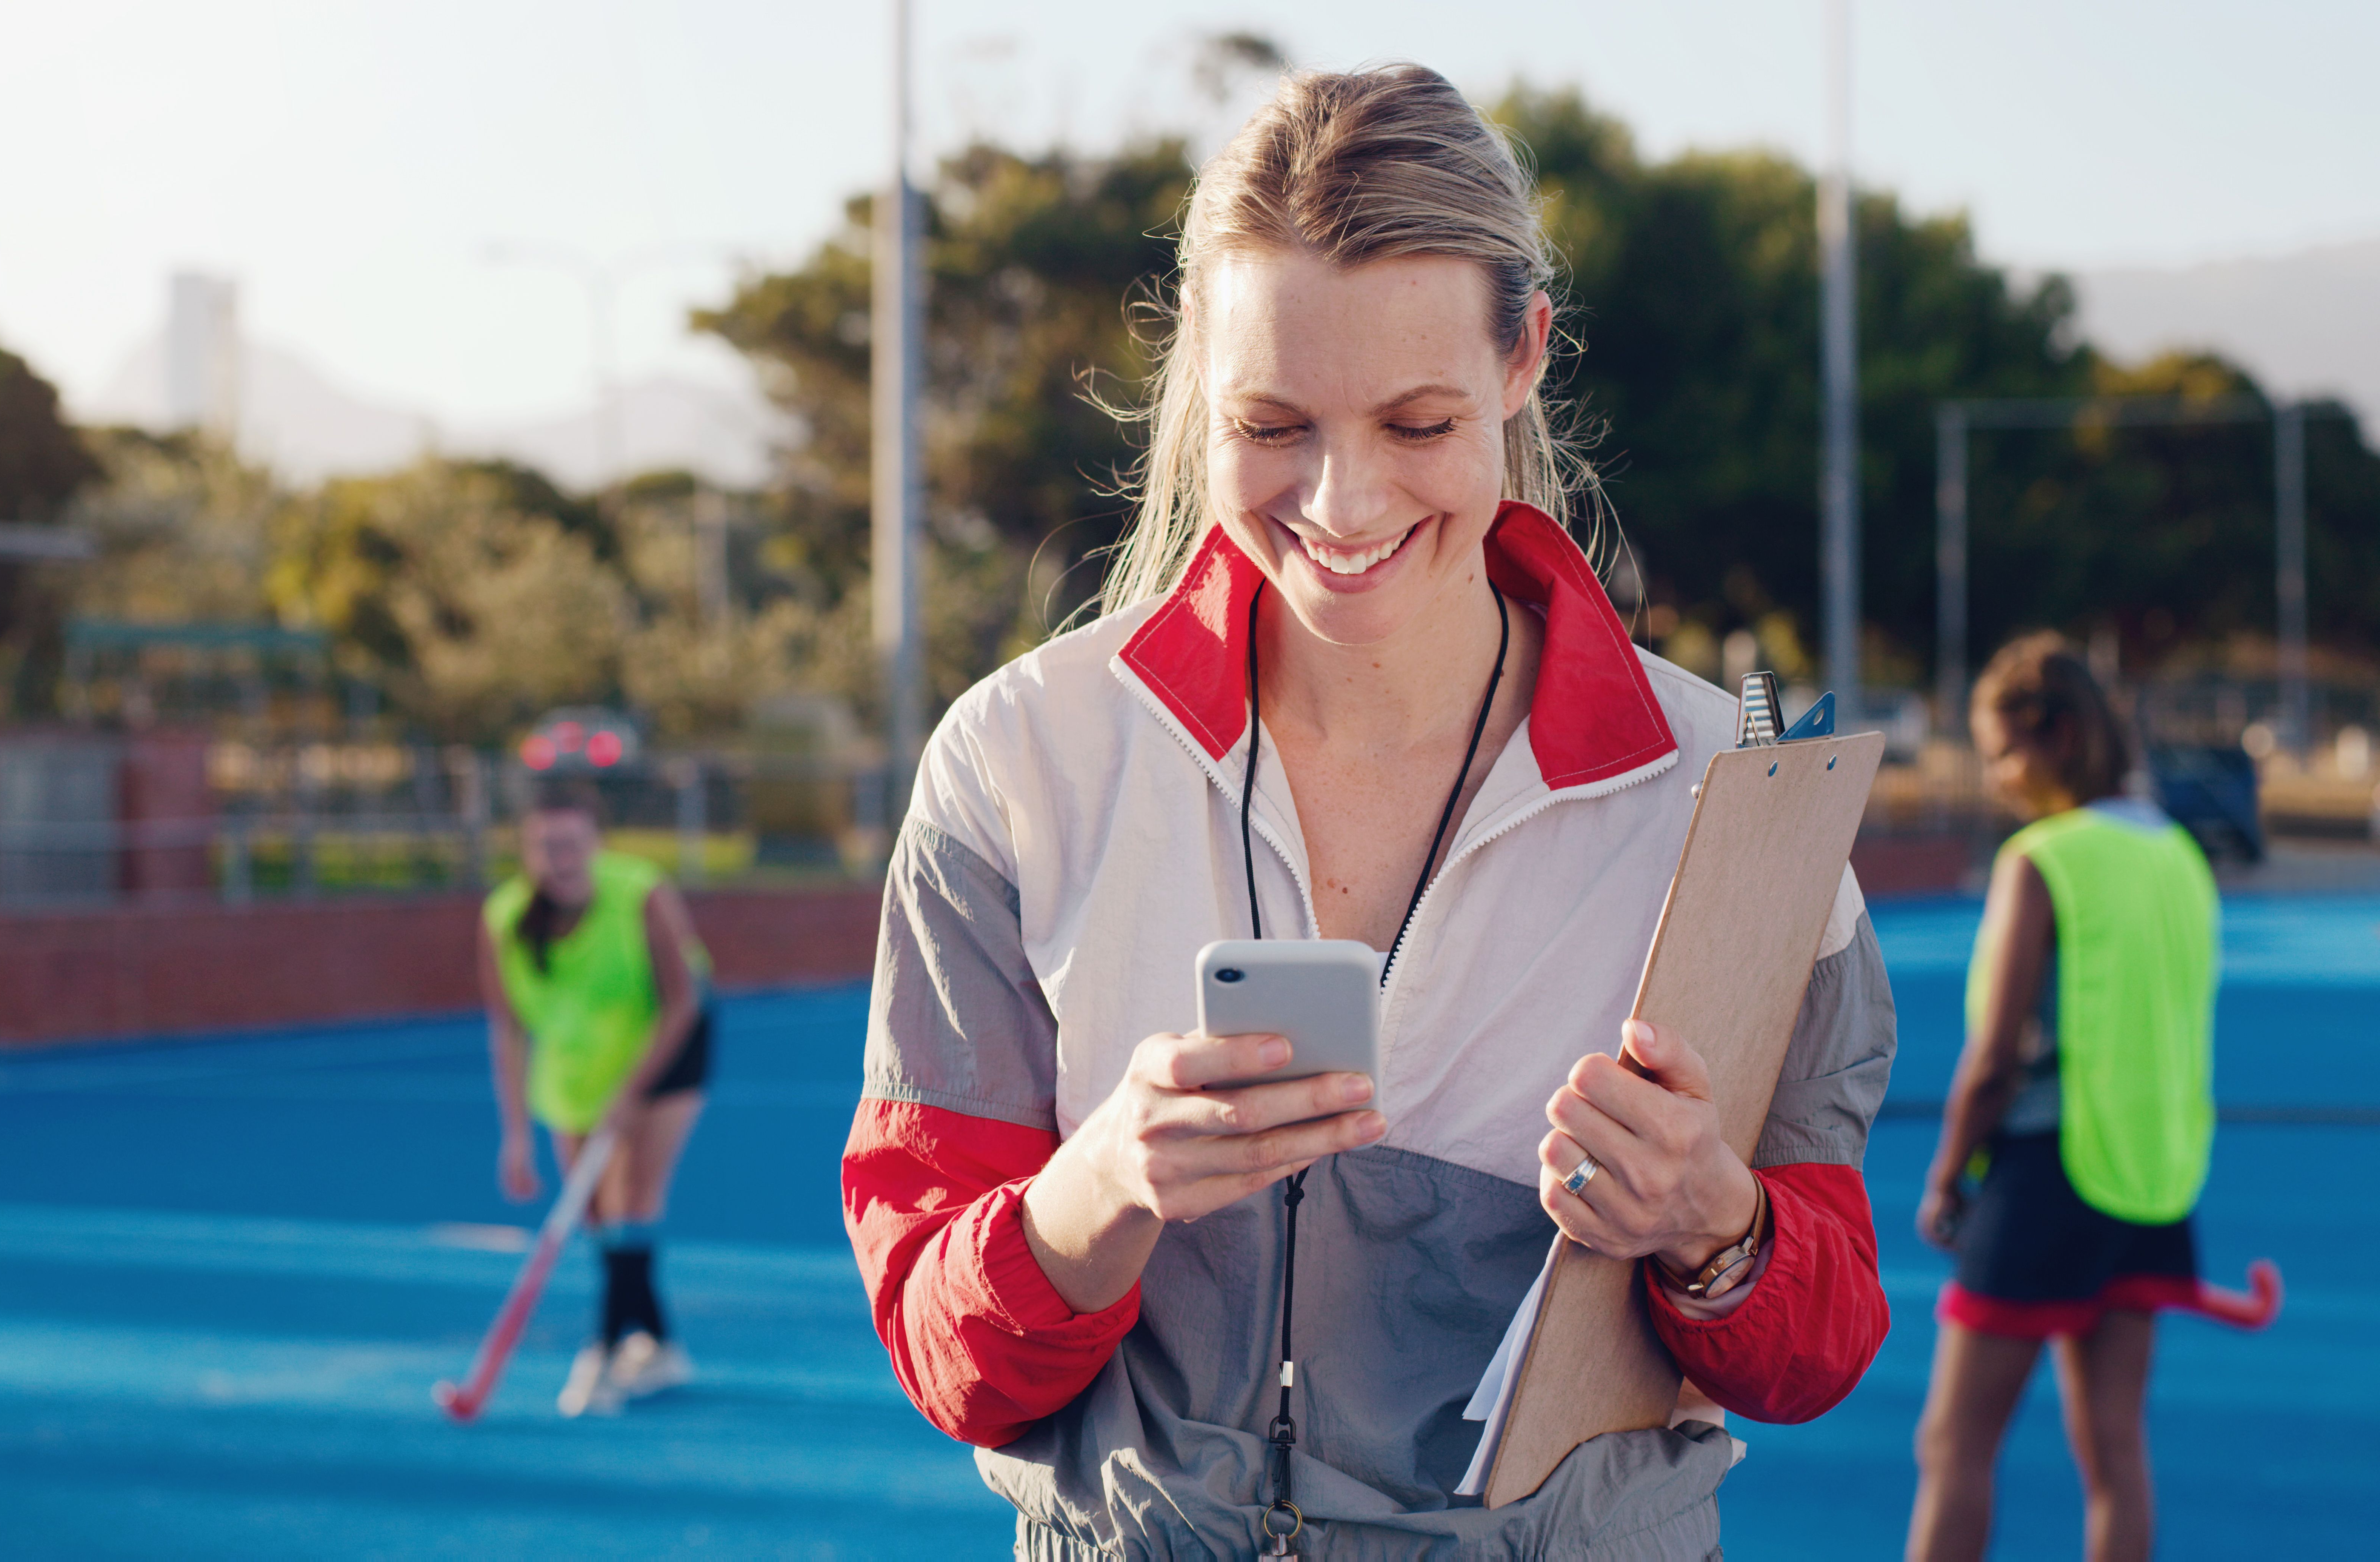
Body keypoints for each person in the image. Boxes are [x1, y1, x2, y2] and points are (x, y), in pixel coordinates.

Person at [843, 65, 1897, 1558]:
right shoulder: (1019, 763)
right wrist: (1106, 1181)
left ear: (1523, 355)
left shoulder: (1724, 790)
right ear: (1199, 383)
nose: (1342, 504)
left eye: (1415, 420)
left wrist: (1713, 1222)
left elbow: (1817, 1344)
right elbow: (949, 1358)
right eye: (1272, 423)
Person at [1907, 634, 2278, 1562]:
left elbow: (1995, 1056)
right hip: (2148, 1180)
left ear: (2058, 736)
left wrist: (1947, 1173)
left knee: (1952, 1445)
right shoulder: (2178, 858)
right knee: (2114, 1452)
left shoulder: (2043, 859)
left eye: (2001, 750)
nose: (1993, 775)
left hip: (2043, 1176)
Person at [480, 777, 711, 1416]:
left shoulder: (641, 894)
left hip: (669, 1047)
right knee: (598, 1220)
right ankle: (659, 1344)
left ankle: (603, 1350)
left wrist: (632, 1095)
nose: (561, 858)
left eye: (573, 843)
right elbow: (508, 1029)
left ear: (596, 843)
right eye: (546, 845)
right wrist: (517, 1135)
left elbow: (683, 1001)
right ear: (527, 851)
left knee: (632, 1198)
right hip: (580, 1067)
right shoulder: (504, 918)